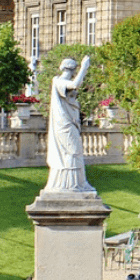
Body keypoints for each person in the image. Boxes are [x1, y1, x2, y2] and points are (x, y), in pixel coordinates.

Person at [42, 55, 94, 193]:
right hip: (64, 124)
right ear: (72, 69)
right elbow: (75, 85)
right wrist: (84, 67)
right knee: (71, 151)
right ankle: (70, 184)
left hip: (70, 122)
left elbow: (75, 86)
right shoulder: (59, 82)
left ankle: (80, 182)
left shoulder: (62, 82)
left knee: (75, 151)